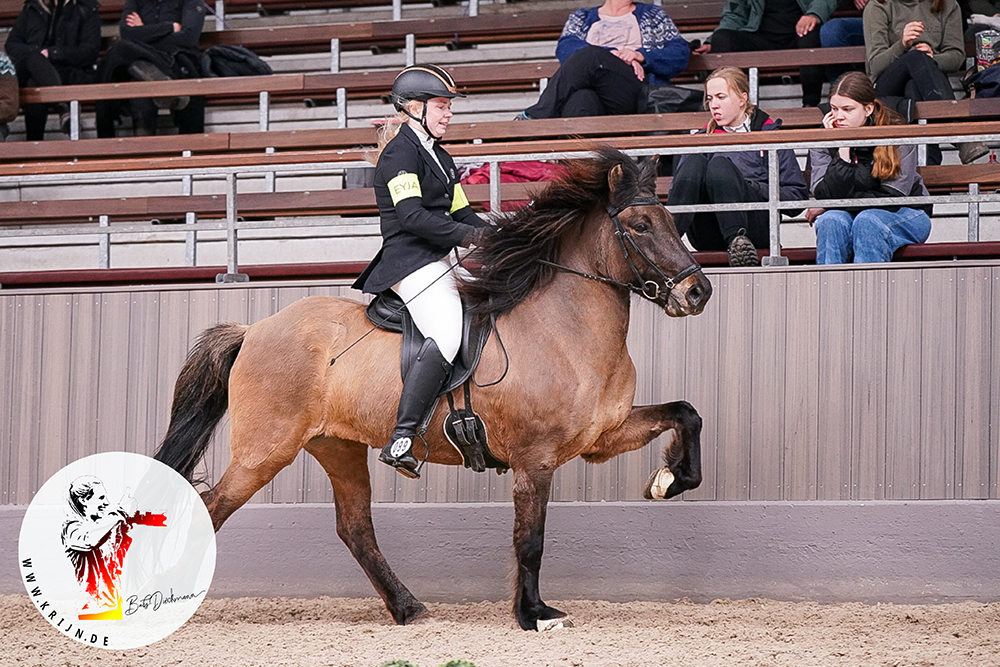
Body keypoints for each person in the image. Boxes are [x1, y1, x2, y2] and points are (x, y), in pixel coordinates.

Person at [352, 65, 490, 479]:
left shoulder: (442, 158)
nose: (449, 115)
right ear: (413, 108)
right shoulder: (399, 155)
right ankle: (403, 437)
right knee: (447, 332)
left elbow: (462, 212)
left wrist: (505, 235)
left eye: (449, 107)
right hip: (411, 261)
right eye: (442, 106)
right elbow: (411, 217)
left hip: (440, 259)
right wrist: (471, 237)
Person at [668, 66, 809, 267]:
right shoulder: (700, 139)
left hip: (753, 230)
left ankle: (738, 242)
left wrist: (749, 186)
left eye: (721, 97)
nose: (713, 105)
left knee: (719, 166)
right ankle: (669, 240)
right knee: (694, 159)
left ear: (743, 99)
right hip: (706, 231)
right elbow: (680, 190)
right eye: (710, 99)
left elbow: (797, 200)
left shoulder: (770, 135)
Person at [806, 72, 932, 263]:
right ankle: (830, 291)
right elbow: (824, 193)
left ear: (868, 109)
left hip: (907, 212)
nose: (838, 117)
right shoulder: (824, 138)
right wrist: (843, 146)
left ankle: (869, 291)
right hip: (852, 214)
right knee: (830, 221)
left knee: (867, 221)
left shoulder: (897, 133)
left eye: (847, 109)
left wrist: (831, 204)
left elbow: (893, 197)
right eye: (834, 109)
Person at [864, 0, 990, 163]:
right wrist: (902, 44)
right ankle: (958, 132)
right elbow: (875, 65)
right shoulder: (878, 5)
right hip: (886, 87)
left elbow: (956, 56)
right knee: (915, 57)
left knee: (914, 86)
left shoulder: (948, 5)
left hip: (926, 85)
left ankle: (930, 173)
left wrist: (932, 58)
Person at [518, 0, 689, 119]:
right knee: (581, 101)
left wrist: (641, 55)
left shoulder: (653, 15)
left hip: (632, 90)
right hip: (593, 91)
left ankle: (536, 118)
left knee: (591, 55)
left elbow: (680, 53)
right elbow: (565, 48)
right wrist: (610, 53)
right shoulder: (582, 17)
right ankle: (579, 169)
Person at [693, 0, 838, 107]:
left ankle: (810, 106)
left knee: (810, 34)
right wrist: (711, 42)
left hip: (800, 34)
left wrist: (813, 14)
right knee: (722, 38)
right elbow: (734, 14)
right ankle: (732, 107)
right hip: (761, 39)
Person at [95, 0, 206, 137]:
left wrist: (143, 31)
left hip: (175, 60)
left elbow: (188, 39)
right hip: (143, 57)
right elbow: (127, 34)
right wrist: (170, 28)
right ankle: (160, 83)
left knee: (124, 58)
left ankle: (107, 136)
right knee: (120, 51)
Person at [61, 476, 166, 619]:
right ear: (84, 500)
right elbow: (89, 540)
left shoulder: (103, 522)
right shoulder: (71, 528)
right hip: (92, 608)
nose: (106, 502)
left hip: (110, 606)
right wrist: (114, 517)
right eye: (101, 498)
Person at [4, 0, 101, 140]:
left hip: (68, 71)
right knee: (33, 59)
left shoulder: (86, 9)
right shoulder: (32, 8)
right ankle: (62, 107)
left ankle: (34, 143)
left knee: (35, 83)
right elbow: (12, 45)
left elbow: (89, 52)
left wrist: (53, 53)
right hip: (28, 67)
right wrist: (39, 53)